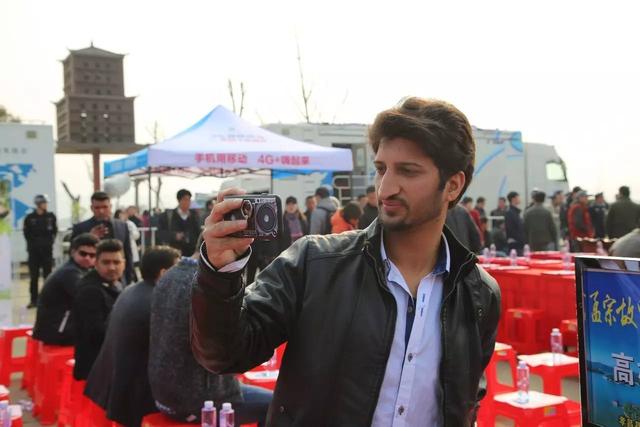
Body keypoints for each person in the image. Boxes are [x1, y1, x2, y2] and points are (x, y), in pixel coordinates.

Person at [192, 97, 501, 425]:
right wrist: (221, 273)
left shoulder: (479, 293)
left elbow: (467, 399)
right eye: (381, 169)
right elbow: (223, 353)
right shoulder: (314, 263)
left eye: (408, 171)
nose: (385, 188)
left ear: (453, 185)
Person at [150, 245, 272, 426]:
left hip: (163, 395)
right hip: (199, 400)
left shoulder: (168, 275)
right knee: (278, 405)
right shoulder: (208, 286)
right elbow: (230, 352)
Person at [84, 246, 181, 427]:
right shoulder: (158, 300)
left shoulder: (132, 289)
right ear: (164, 273)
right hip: (133, 393)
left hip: (112, 383)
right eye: (178, 270)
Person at [72, 239, 125, 380]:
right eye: (106, 262)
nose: (112, 267)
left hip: (111, 357)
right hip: (96, 365)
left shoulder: (117, 283)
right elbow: (97, 333)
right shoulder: (89, 290)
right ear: (96, 264)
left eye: (116, 262)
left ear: (124, 264)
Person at [32, 233, 99, 345]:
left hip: (56, 329)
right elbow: (88, 299)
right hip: (57, 331)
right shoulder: (70, 273)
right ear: (73, 252)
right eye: (83, 254)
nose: (87, 258)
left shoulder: (77, 270)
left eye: (92, 255)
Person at [71, 191, 134, 284]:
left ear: (110, 207)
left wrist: (129, 279)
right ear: (91, 208)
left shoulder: (122, 226)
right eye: (97, 208)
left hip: (119, 279)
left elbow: (128, 254)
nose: (101, 211)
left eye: (105, 207)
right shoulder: (80, 228)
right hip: (91, 280)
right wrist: (89, 237)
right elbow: (73, 254)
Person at [23, 194, 58, 308]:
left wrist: (49, 243)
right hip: (34, 253)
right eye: (44, 203)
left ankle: (47, 300)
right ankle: (33, 300)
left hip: (47, 252)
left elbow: (54, 231)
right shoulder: (29, 218)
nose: (46, 205)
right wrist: (34, 245)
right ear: (38, 204)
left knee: (48, 277)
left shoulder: (51, 217)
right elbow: (26, 234)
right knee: (34, 277)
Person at [158, 189, 202, 256]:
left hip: (192, 252)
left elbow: (198, 232)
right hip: (174, 252)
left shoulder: (194, 215)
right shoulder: (168, 216)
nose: (188, 202)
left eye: (189, 200)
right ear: (179, 200)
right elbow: (161, 233)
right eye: (185, 199)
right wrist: (174, 236)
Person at [115, 209, 141, 280]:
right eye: (120, 215)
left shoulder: (130, 224)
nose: (122, 216)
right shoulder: (115, 224)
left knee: (131, 265)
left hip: (130, 247)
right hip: (119, 248)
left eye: (123, 215)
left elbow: (137, 235)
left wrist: (129, 233)